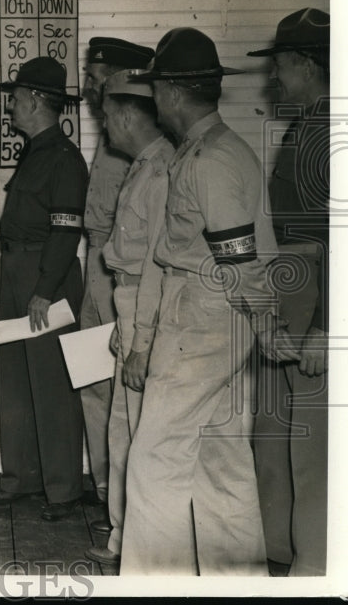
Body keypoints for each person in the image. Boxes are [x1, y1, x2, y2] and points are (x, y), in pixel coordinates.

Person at [120, 28, 296, 575]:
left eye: (156, 90)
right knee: (222, 463)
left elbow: (238, 258)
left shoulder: (209, 161)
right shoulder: (217, 149)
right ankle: (240, 581)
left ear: (172, 92)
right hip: (220, 318)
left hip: (201, 317)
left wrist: (267, 325)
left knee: (155, 462)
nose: (154, 101)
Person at [247, 8, 329, 576]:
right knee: (272, 429)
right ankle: (276, 552)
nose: (275, 80)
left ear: (306, 65)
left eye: (280, 68)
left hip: (318, 296)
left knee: (313, 448)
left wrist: (326, 324)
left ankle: (317, 566)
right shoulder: (305, 125)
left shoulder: (333, 132)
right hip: (287, 290)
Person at [0, 57, 88, 521]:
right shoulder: (36, 151)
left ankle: (63, 491)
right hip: (16, 272)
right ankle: (21, 479)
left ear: (32, 100)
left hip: (45, 276)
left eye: (14, 99)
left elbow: (66, 232)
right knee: (15, 382)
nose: (9, 108)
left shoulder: (64, 158)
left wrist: (45, 289)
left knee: (51, 384)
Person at [83, 69, 173, 568]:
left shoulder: (161, 172)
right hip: (128, 301)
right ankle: (122, 540)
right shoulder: (141, 165)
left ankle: (142, 549)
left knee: (141, 434)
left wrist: (142, 335)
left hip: (147, 304)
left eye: (108, 116)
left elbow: (161, 261)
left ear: (126, 116)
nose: (105, 127)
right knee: (122, 431)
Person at [78, 38, 154, 522]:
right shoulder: (109, 136)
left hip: (123, 267)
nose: (88, 85)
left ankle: (129, 500)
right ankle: (106, 487)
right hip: (96, 260)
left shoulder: (142, 137)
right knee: (91, 375)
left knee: (127, 381)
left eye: (98, 76)